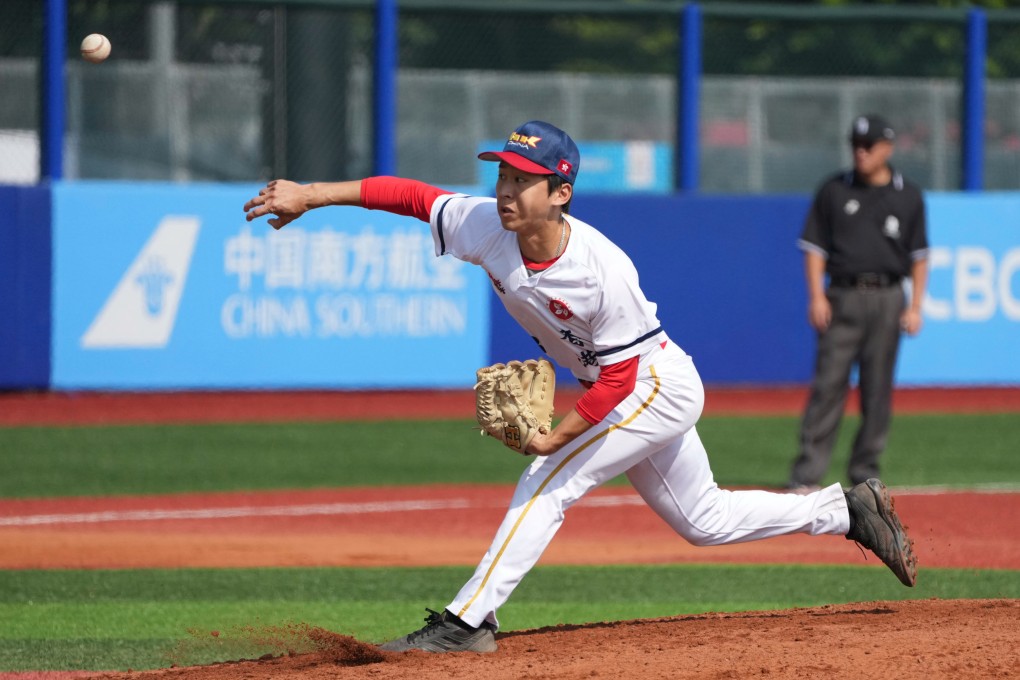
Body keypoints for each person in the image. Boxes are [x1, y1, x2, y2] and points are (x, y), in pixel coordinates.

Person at [243, 120, 918, 654]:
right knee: (703, 521)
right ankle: (843, 510)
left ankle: (468, 621)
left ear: (560, 193)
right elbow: (413, 197)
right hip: (623, 381)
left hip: (652, 382)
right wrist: (310, 194)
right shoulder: (486, 225)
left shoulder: (600, 270)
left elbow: (621, 378)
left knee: (550, 478)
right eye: (503, 173)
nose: (507, 189)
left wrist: (554, 436)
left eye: (526, 179)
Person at [786, 114, 929, 494]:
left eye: (868, 145)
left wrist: (915, 305)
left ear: (888, 147)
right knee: (828, 385)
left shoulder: (908, 194)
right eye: (855, 144)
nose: (860, 151)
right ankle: (807, 475)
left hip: (888, 297)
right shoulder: (834, 190)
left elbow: (919, 255)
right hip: (843, 296)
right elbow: (815, 248)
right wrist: (816, 295)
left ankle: (865, 473)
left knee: (877, 389)